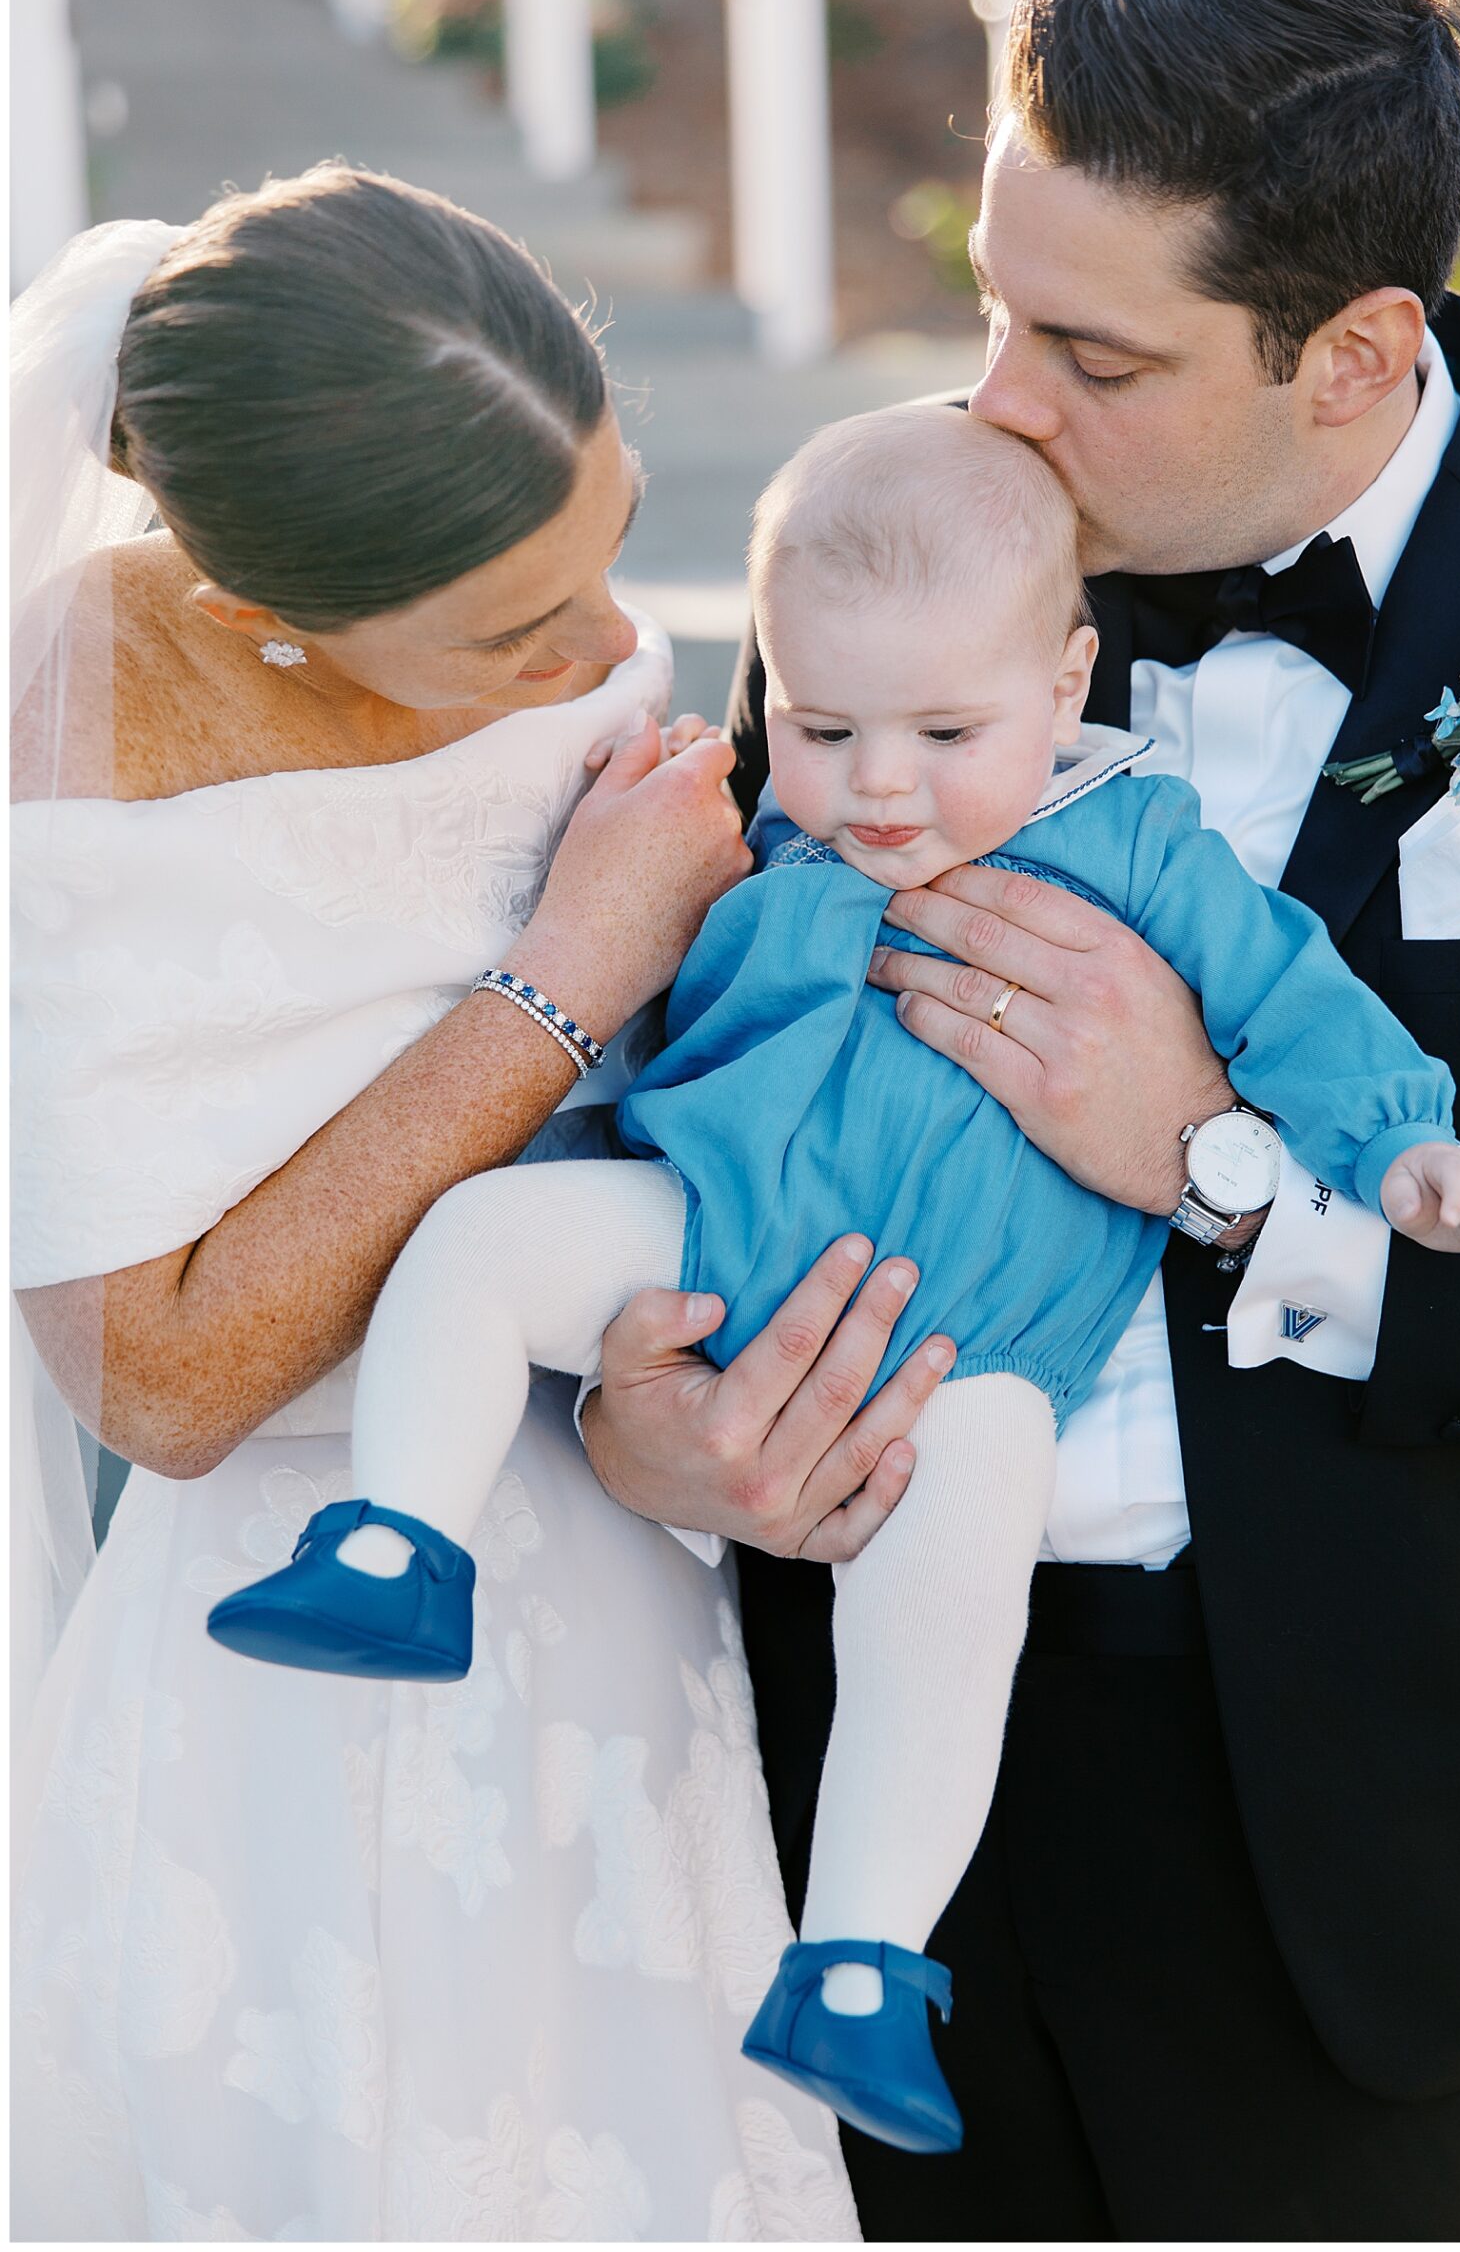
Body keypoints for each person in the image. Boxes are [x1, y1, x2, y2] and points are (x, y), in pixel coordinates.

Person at [583, 0, 1460, 2240]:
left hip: (1359, 1854)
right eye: (993, 307)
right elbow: (691, 1051)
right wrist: (638, 1418)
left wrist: (1221, 1161)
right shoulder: (895, 533)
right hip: (841, 1787)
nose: (998, 403)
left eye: (1088, 353)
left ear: (1352, 351)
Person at [206, 401, 1460, 2158]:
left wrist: (1402, 1140)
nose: (879, 784)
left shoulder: (1133, 837)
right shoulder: (769, 830)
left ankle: (859, 1965)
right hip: (711, 1230)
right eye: (824, 728)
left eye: (943, 734)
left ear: (1062, 683)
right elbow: (654, 1003)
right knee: (477, 1245)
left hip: (973, 1358)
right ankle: (398, 1543)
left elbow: (1291, 998)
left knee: (942, 1633)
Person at [9, 165, 933, 2242]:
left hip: (631, 1612)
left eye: (612, 546)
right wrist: (567, 975)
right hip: (300, 1682)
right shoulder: (84, 721)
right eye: (517, 634)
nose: (611, 647)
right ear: (262, 619)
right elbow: (155, 1383)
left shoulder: (556, 622)